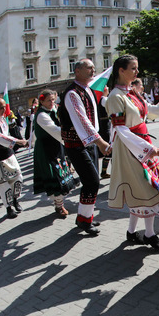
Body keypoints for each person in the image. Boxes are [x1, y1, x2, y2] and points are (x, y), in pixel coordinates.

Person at [106, 54, 159, 249]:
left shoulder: (131, 92)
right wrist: (147, 148)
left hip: (140, 145)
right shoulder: (115, 97)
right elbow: (121, 129)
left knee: (141, 191)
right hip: (131, 149)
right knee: (147, 189)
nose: (137, 72)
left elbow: (148, 111)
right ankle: (150, 235)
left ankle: (131, 232)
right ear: (121, 70)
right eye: (133, 68)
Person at [58, 60, 115, 232]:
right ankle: (84, 219)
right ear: (77, 71)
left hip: (87, 143)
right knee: (92, 181)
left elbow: (93, 119)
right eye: (89, 67)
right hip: (76, 144)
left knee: (92, 181)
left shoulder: (87, 90)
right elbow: (82, 121)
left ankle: (85, 218)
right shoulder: (72, 93)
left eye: (93, 67)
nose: (93, 70)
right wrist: (101, 141)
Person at [0, 94, 29, 219]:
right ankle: (8, 208)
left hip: (7, 153)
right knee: (2, 183)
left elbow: (6, 134)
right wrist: (18, 141)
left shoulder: (3, 119)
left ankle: (15, 199)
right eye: (0, 108)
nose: (4, 110)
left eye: (4, 107)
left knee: (18, 176)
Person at [31, 89, 74, 218]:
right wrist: (71, 134)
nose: (52, 103)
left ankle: (58, 204)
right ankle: (59, 206)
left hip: (56, 146)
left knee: (61, 174)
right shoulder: (41, 115)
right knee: (55, 176)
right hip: (46, 149)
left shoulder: (52, 110)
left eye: (53, 100)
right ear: (42, 101)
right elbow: (55, 130)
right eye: (49, 100)